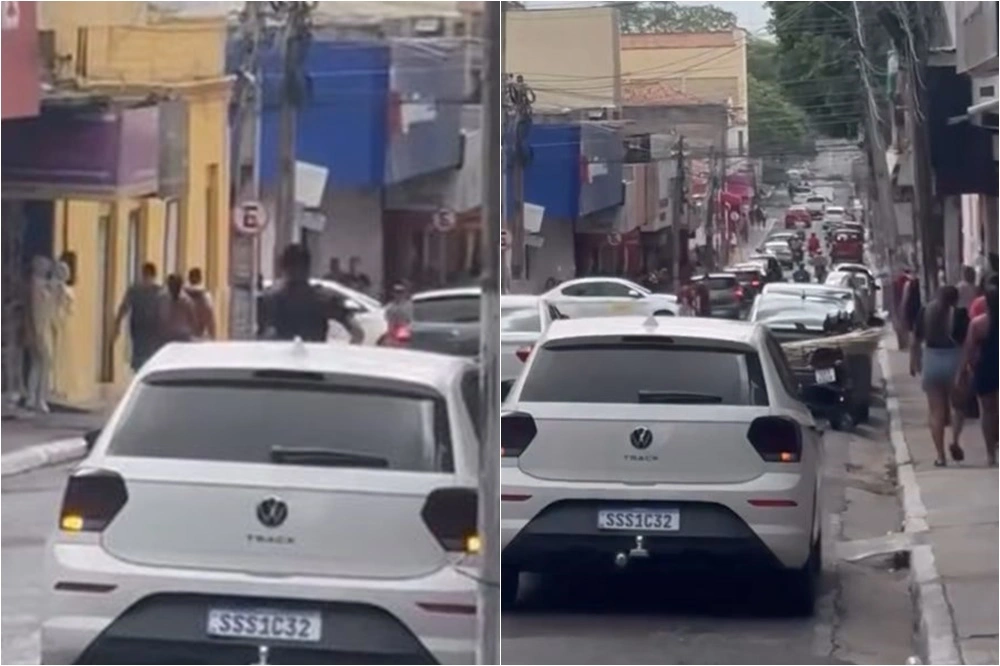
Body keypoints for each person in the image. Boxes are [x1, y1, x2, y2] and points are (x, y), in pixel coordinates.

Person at [259, 244, 364, 344]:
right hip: (316, 356)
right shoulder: (323, 298)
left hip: (281, 356)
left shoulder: (271, 300)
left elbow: (260, 338)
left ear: (283, 268)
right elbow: (358, 333)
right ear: (308, 268)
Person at [910, 285, 966, 466]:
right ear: (956, 299)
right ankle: (955, 441)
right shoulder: (959, 315)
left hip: (931, 360)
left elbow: (915, 340)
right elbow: (967, 343)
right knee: (958, 406)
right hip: (953, 360)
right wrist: (964, 368)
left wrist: (914, 362)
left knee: (936, 412)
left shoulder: (925, 312)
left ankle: (940, 456)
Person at [956, 287, 999, 465]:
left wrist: (963, 371)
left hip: (985, 368)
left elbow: (969, 349)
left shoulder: (978, 323)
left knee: (988, 411)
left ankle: (991, 454)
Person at [114, 262, 165, 373]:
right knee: (145, 356)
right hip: (146, 330)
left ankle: (142, 373)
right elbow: (124, 307)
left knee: (144, 356)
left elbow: (124, 307)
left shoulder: (137, 290)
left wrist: (117, 324)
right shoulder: (157, 291)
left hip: (145, 329)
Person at [161, 274, 198, 344]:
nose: (173, 288)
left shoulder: (187, 301)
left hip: (183, 337)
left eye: (175, 285)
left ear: (180, 286)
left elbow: (193, 320)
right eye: (171, 285)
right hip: (167, 337)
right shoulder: (164, 299)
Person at [184, 268, 216, 340]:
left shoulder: (182, 294)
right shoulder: (205, 295)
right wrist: (212, 335)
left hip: (184, 335)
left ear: (189, 278)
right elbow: (210, 317)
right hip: (199, 334)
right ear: (200, 279)